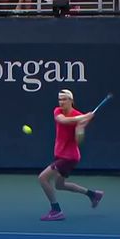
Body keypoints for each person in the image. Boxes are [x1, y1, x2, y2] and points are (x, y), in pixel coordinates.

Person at [38, 89, 104, 221]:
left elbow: (78, 140)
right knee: (60, 185)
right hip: (61, 155)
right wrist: (84, 117)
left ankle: (56, 211)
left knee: (43, 178)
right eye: (59, 99)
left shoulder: (79, 116)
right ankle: (93, 194)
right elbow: (63, 121)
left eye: (64, 99)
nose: (61, 102)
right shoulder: (58, 111)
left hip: (69, 157)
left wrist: (81, 128)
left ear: (71, 101)